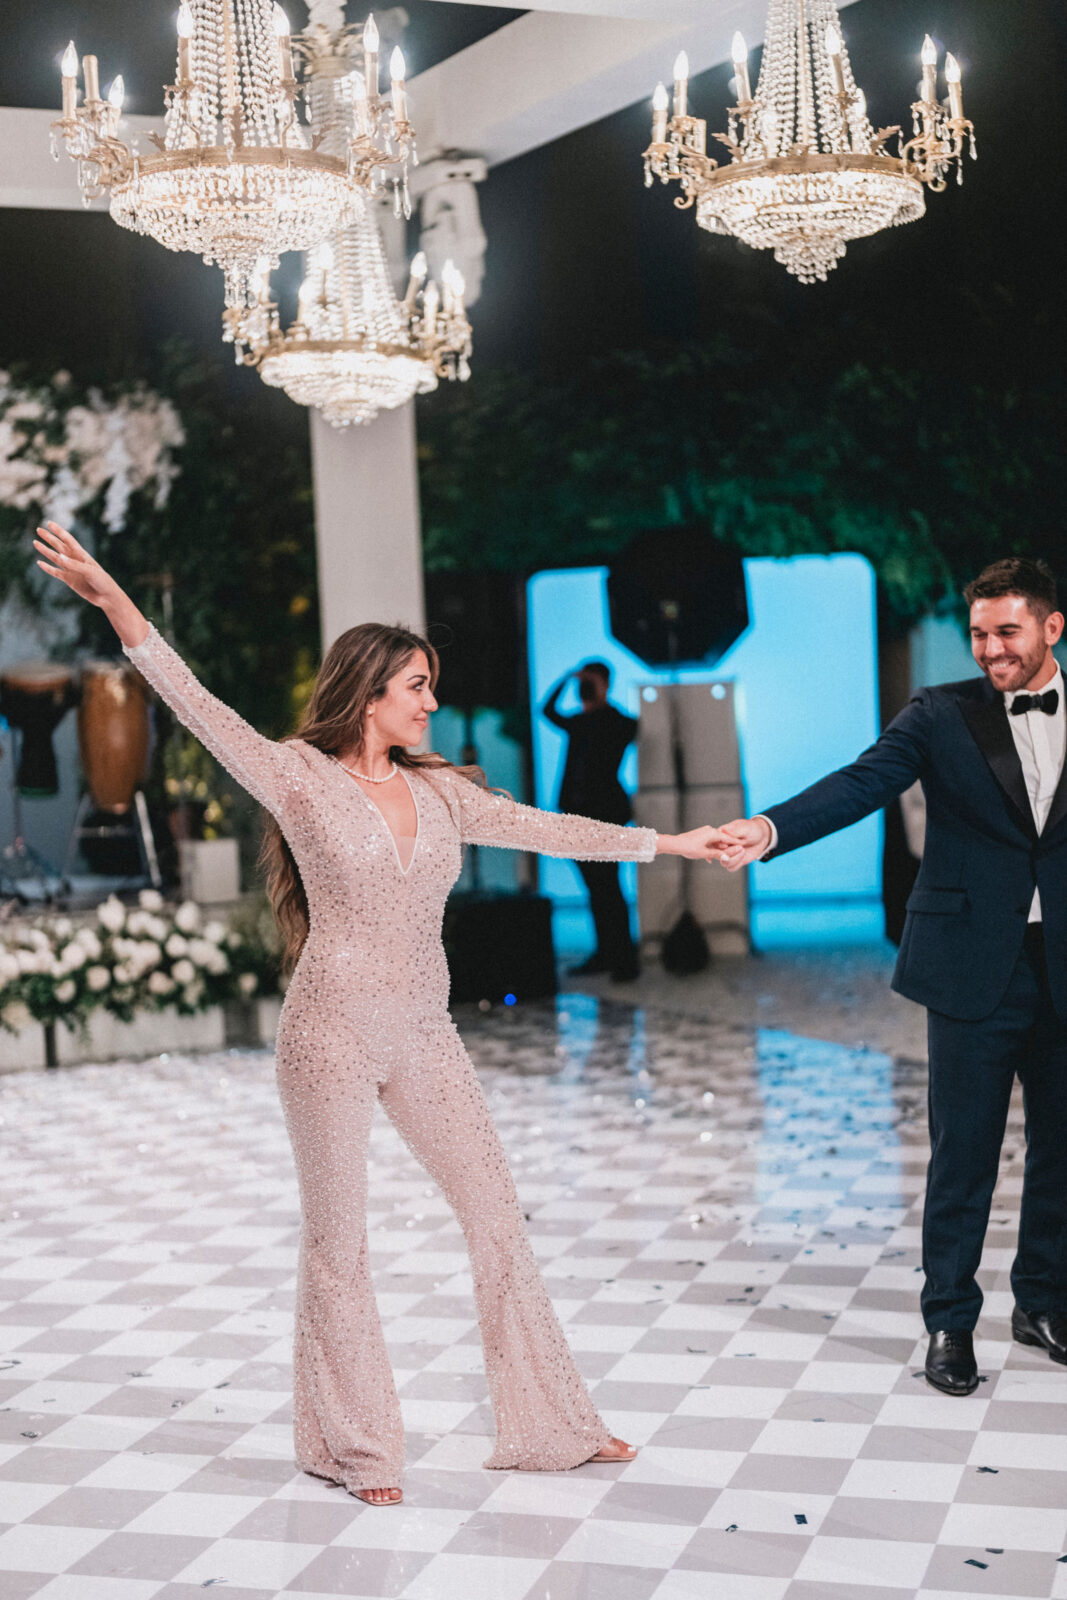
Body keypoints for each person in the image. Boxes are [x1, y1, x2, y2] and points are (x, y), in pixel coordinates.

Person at [35, 521, 725, 1505]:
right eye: (417, 686)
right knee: (339, 1242)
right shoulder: (295, 775)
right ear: (369, 693)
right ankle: (353, 1450)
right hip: (327, 1037)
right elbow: (194, 704)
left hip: (424, 1034)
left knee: (497, 1218)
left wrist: (677, 844)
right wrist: (116, 605)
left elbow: (553, 829)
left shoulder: (442, 792)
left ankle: (550, 1425)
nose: (432, 701)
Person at [718, 558, 1067, 1396]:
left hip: (1059, 963)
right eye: (978, 634)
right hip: (968, 968)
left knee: (1059, 1149)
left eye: (1006, 633)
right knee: (961, 1154)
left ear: (1052, 628)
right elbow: (861, 783)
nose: (989, 650)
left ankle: (1042, 1301)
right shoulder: (941, 714)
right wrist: (768, 830)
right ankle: (949, 1319)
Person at [542, 661, 640, 980]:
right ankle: (607, 954)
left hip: (605, 814)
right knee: (597, 890)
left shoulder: (616, 722)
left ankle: (623, 960)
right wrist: (568, 678)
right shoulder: (579, 722)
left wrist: (600, 696)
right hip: (576, 815)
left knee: (608, 888)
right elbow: (547, 710)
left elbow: (628, 728)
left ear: (606, 684)